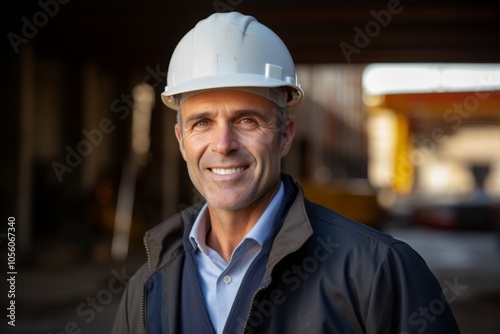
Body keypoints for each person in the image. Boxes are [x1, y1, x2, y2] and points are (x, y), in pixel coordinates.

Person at [112, 11, 461, 334]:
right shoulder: (147, 288)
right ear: (181, 141)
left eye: (246, 120)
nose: (223, 144)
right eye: (201, 123)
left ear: (285, 137)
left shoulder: (380, 272)